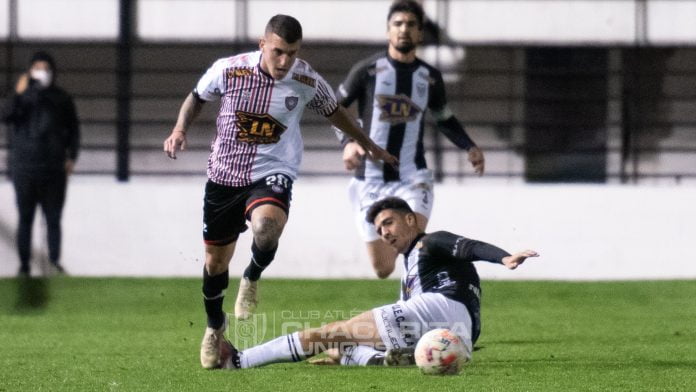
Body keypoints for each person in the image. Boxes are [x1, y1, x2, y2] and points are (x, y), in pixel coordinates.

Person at [162, 15, 397, 369]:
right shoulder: (229, 70)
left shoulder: (305, 79)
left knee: (266, 228)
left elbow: (336, 112)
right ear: (263, 45)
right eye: (278, 52)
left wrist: (366, 143)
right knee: (215, 263)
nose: (285, 61)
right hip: (224, 176)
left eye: (292, 53)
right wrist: (179, 129)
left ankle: (252, 276)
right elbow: (196, 98)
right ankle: (214, 328)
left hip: (273, 171)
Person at [218, 197, 538, 369]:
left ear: (410, 219)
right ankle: (374, 359)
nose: (383, 232)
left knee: (333, 332)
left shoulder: (430, 243)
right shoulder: (413, 272)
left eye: (388, 222)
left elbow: (468, 247)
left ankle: (240, 360)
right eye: (379, 228)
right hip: (455, 339)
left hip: (439, 311)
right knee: (340, 347)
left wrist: (504, 257)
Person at [335, 0, 485, 279]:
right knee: (382, 269)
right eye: (398, 24)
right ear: (388, 30)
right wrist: (348, 143)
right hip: (370, 178)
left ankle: (418, 302)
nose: (404, 29)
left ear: (419, 34)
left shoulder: (429, 78)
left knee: (415, 242)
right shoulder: (367, 71)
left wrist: (469, 146)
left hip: (411, 175)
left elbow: (444, 117)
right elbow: (335, 109)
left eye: (411, 25)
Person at [1, 51, 80, 277]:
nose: (41, 72)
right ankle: (24, 265)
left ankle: (54, 262)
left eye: (46, 68)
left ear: (52, 71)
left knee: (53, 218)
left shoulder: (62, 99)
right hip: (24, 168)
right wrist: (19, 93)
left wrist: (71, 157)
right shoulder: (21, 97)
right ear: (29, 71)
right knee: (25, 218)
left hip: (54, 169)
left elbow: (74, 130)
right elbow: (5, 116)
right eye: (37, 68)